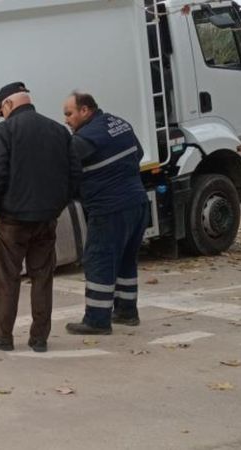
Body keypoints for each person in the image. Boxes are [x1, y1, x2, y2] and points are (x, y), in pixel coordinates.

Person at [0, 82, 79, 353]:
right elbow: (74, 176)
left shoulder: (2, 132)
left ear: (8, 104)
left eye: (2, 110)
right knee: (42, 278)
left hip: (10, 221)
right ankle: (39, 338)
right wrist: (56, 207)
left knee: (7, 278)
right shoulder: (59, 131)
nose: (3, 115)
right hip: (46, 219)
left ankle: (3, 336)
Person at [62, 92, 149, 335]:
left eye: (69, 114)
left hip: (109, 208)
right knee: (125, 260)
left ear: (85, 110)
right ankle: (127, 312)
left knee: (98, 260)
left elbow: (66, 163)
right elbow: (138, 155)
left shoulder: (87, 136)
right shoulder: (119, 123)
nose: (66, 120)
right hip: (138, 202)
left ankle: (97, 320)